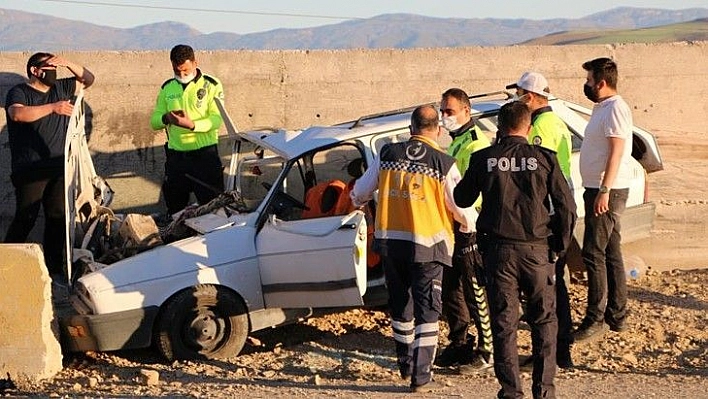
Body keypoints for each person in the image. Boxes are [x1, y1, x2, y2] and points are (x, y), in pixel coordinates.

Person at [454, 101, 576, 399]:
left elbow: (462, 198)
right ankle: (544, 391)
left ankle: (510, 391)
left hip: (499, 253)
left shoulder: (484, 158)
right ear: (529, 126)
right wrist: (559, 247)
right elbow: (567, 207)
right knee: (544, 321)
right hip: (538, 252)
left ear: (499, 127)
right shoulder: (544, 158)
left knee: (504, 323)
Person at [350, 105, 476, 393]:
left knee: (400, 307)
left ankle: (405, 365)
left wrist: (361, 204)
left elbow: (359, 193)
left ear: (410, 129)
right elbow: (461, 208)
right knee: (428, 310)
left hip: (392, 245)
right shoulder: (443, 162)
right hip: (428, 247)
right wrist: (469, 230)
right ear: (438, 130)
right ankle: (421, 375)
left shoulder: (386, 155)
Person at [3, 52, 95, 277]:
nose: (54, 72)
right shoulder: (20, 91)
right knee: (26, 217)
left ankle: (54, 270)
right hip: (30, 169)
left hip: (59, 167)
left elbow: (89, 79)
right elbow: (17, 114)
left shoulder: (61, 88)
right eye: (49, 67)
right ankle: (4, 263)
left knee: (57, 218)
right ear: (35, 71)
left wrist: (68, 63)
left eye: (56, 67)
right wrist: (53, 108)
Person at [507, 71, 575, 368]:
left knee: (548, 290)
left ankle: (556, 352)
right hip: (552, 211)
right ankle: (558, 349)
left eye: (519, 93)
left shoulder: (541, 128)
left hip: (544, 215)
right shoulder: (553, 121)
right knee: (551, 285)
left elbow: (536, 176)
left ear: (530, 97)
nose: (516, 98)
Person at [573, 58, 634, 342]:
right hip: (598, 188)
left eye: (588, 81)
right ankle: (617, 314)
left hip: (606, 190)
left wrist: (605, 189)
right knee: (610, 251)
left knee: (593, 252)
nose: (585, 85)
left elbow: (617, 151)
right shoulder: (603, 108)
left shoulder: (616, 109)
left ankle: (595, 318)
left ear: (601, 82)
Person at [436, 88, 494, 373]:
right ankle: (459, 341)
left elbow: (477, 190)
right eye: (442, 111)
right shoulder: (456, 142)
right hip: (451, 226)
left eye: (450, 111)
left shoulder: (475, 143)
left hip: (470, 225)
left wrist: (466, 219)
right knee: (451, 288)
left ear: (466, 112)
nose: (445, 116)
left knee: (474, 289)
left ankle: (487, 350)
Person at [150, 44, 225, 216]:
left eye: (185, 71)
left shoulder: (211, 85)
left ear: (194, 63)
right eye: (177, 72)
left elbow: (216, 119)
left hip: (204, 157)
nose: (182, 75)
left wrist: (192, 125)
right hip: (177, 159)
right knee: (175, 209)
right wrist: (167, 118)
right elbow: (154, 121)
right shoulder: (167, 87)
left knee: (212, 210)